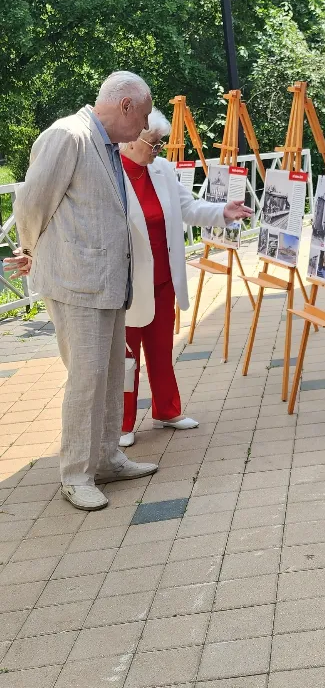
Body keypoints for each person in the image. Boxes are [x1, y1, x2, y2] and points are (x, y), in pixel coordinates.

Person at [8, 72, 158, 510]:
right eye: (145, 114)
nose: (146, 126)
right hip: (76, 281)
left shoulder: (104, 143)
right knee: (86, 379)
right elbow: (31, 202)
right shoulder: (67, 135)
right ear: (126, 105)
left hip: (106, 281)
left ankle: (108, 457)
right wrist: (31, 248)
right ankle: (76, 473)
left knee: (112, 373)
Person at [119, 109, 252, 447]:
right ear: (133, 138)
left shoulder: (160, 169)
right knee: (126, 357)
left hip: (162, 280)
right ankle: (122, 423)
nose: (158, 150)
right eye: (155, 144)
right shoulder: (111, 171)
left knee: (162, 350)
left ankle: (168, 410)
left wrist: (222, 212)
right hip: (129, 285)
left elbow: (188, 208)